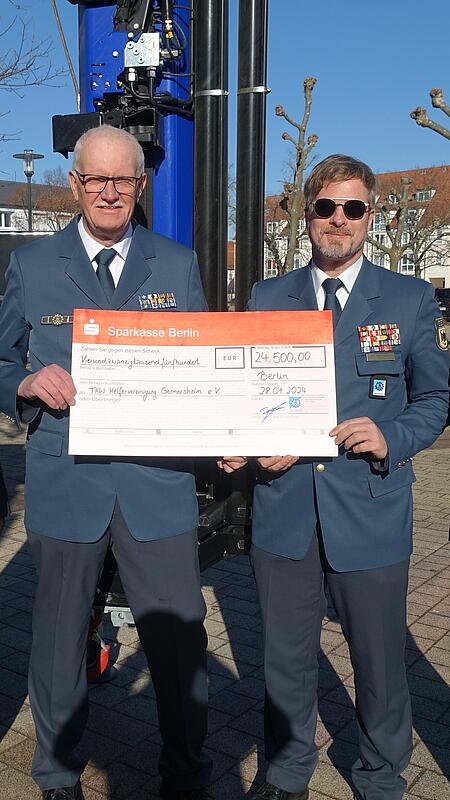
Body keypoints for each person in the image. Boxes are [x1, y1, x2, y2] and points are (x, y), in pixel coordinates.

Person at [221, 154, 449, 800]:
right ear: (307, 215)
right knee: (284, 658)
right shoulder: (267, 297)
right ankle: (287, 769)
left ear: (371, 216)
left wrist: (392, 436)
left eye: (352, 208)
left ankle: (381, 776)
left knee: (379, 661)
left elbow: (435, 398)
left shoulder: (407, 298)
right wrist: (241, 443)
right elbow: (246, 393)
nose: (338, 220)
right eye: (325, 207)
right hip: (285, 509)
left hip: (369, 507)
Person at [0, 125, 214, 800]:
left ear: (140, 186)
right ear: (75, 184)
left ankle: (186, 773)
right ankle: (56, 772)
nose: (110, 192)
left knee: (179, 643)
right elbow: (1, 360)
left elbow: (205, 367)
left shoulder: (176, 264)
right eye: (97, 179)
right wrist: (24, 383)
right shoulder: (32, 265)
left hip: (157, 485)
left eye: (124, 180)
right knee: (59, 639)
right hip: (68, 483)